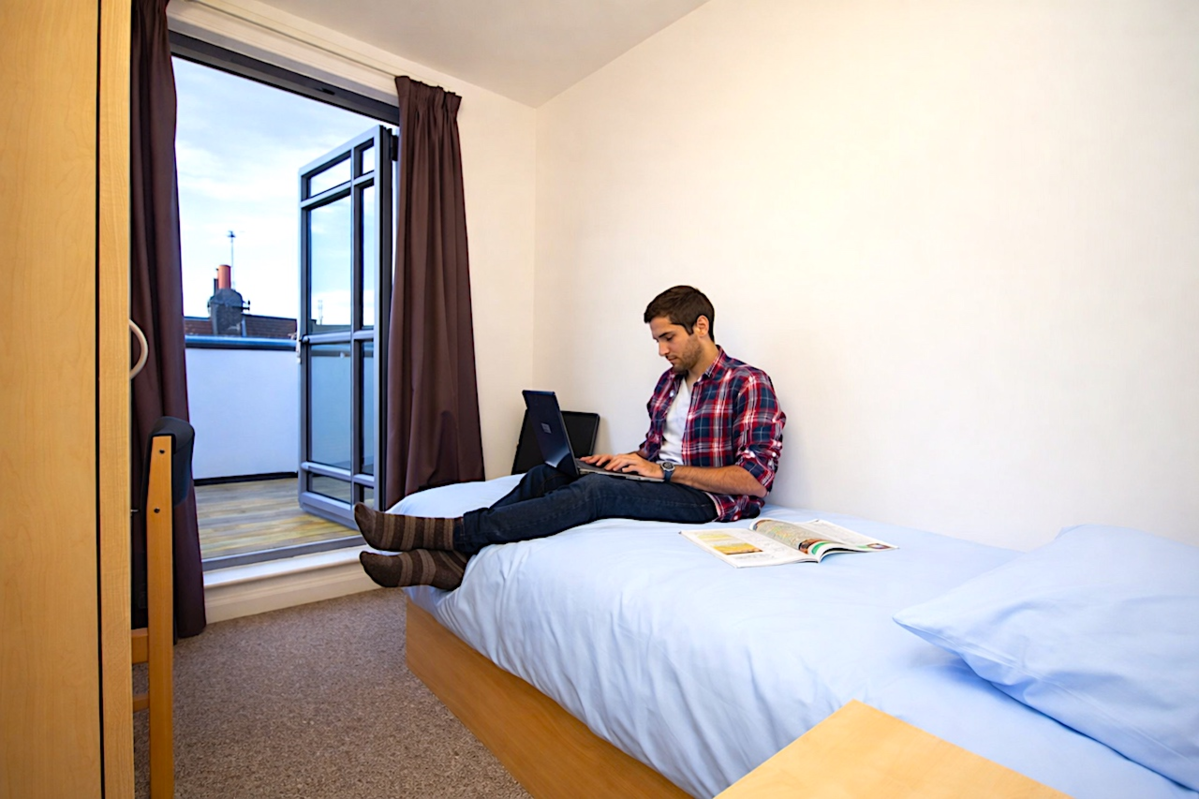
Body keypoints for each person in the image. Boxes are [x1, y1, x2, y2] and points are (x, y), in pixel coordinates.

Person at [354, 285, 787, 589]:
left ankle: (450, 536)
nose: (661, 350)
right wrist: (623, 460)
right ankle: (458, 560)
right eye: (657, 340)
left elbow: (754, 480)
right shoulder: (669, 383)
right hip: (666, 480)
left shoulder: (747, 382)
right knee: (550, 474)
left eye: (668, 338)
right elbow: (655, 452)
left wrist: (665, 472)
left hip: (709, 501)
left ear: (701, 326)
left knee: (596, 493)